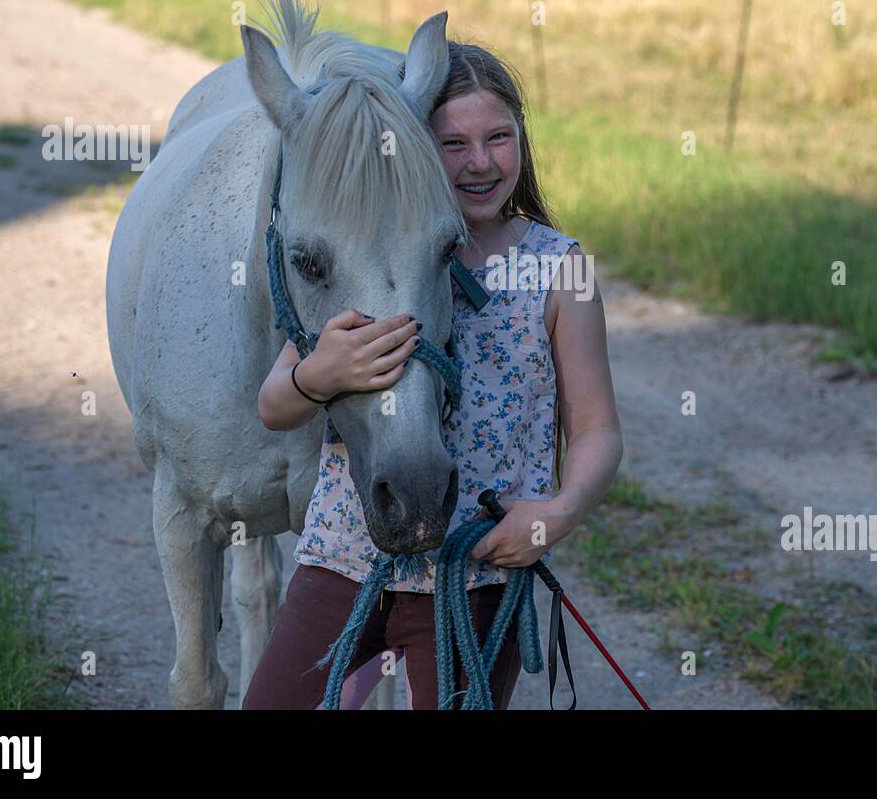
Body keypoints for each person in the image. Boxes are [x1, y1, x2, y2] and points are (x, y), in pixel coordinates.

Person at [242, 40, 623, 709]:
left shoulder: (561, 269)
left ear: (522, 140)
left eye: (499, 137)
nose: (479, 161)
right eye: (453, 143)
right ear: (413, 146)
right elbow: (274, 405)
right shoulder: (367, 244)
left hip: (471, 576)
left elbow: (595, 429)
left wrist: (557, 512)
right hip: (343, 559)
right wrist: (317, 372)